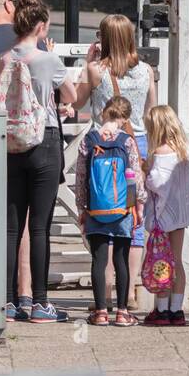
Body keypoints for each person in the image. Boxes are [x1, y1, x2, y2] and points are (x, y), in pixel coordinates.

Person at [0, 0, 76, 324]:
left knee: (11, 229)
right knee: (40, 226)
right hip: (44, 141)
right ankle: (41, 304)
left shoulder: (5, 58)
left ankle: (7, 303)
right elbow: (72, 97)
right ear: (42, 27)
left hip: (11, 144)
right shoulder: (49, 60)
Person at [73, 14, 156, 308]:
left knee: (104, 216)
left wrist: (86, 64)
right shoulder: (146, 70)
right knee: (132, 219)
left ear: (105, 39)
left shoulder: (97, 71)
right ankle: (130, 290)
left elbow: (77, 103)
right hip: (137, 145)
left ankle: (104, 293)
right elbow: (150, 111)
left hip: (104, 151)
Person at [0, 0, 52, 318]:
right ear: (9, 4)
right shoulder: (32, 43)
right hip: (34, 138)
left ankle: (5, 299)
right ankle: (29, 294)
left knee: (7, 223)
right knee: (34, 224)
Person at [75, 96, 146, 326]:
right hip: (122, 208)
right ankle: (123, 313)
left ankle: (101, 313)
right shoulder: (126, 142)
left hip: (96, 209)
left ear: (104, 112)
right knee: (121, 259)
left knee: (98, 259)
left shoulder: (89, 140)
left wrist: (82, 208)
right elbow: (134, 177)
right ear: (125, 119)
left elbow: (81, 177)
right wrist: (137, 206)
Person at [141, 104, 189, 326]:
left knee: (161, 262)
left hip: (161, 217)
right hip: (181, 215)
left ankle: (162, 310)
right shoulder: (187, 151)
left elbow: (156, 183)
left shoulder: (157, 155)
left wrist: (145, 174)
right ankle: (177, 309)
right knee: (177, 260)